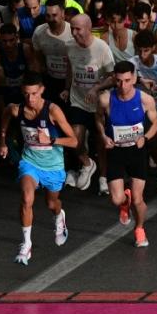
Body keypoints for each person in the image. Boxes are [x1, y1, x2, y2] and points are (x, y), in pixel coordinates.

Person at [0, 74, 77, 265]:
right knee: (27, 198)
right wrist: (2, 141)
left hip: (53, 167)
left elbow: (74, 141)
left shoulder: (53, 111)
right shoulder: (16, 109)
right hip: (30, 162)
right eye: (26, 94)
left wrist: (51, 140)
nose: (30, 98)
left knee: (52, 204)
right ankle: (26, 244)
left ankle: (59, 216)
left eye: (34, 93)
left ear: (41, 90)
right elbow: (5, 118)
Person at [95, 61, 157, 247]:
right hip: (116, 151)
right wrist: (103, 136)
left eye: (127, 80)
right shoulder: (106, 99)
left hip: (137, 151)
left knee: (138, 200)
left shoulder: (145, 99)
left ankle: (139, 229)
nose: (123, 85)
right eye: (119, 81)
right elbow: (98, 118)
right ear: (114, 79)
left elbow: (156, 123)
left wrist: (145, 138)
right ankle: (125, 202)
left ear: (134, 78)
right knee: (116, 199)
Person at [66, 13, 113, 193]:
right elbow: (70, 69)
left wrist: (96, 88)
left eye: (78, 29)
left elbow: (113, 77)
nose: (74, 33)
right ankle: (87, 164)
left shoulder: (102, 48)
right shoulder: (69, 45)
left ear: (89, 28)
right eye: (72, 29)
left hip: (98, 104)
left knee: (101, 142)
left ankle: (103, 177)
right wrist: (66, 88)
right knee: (74, 139)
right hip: (78, 100)